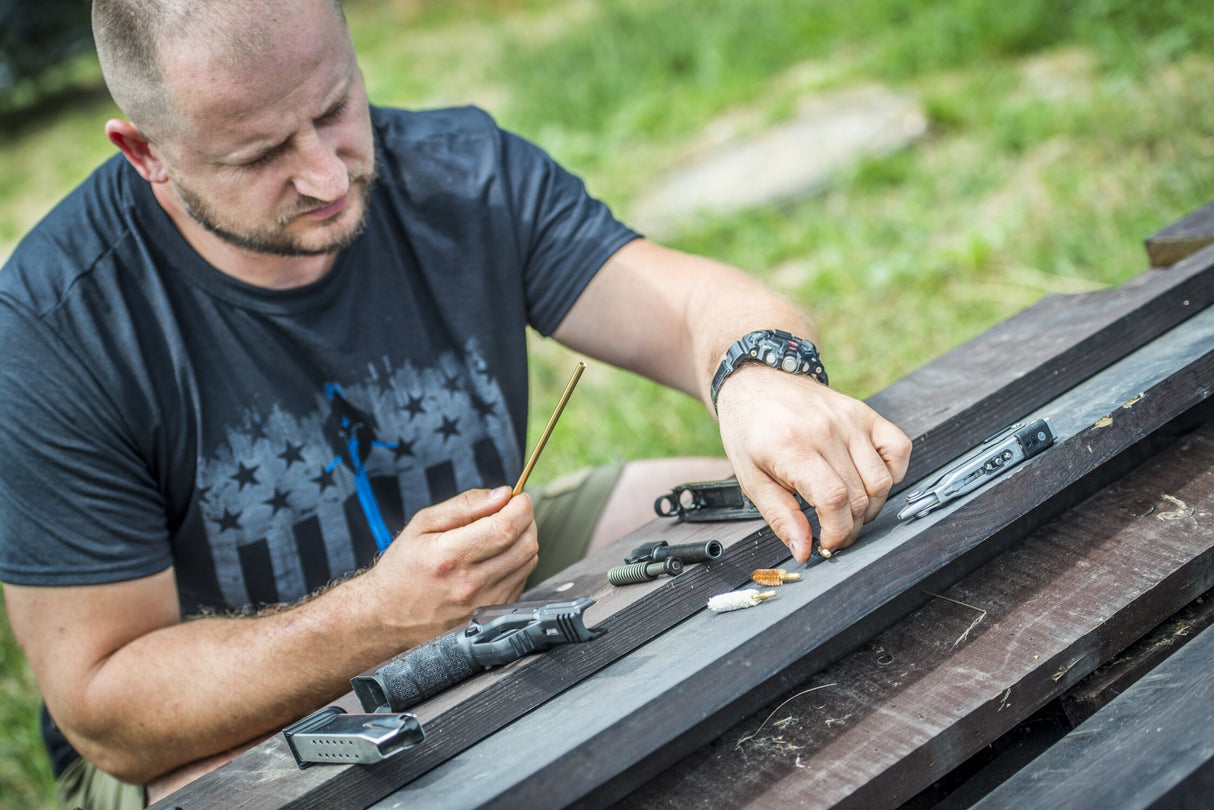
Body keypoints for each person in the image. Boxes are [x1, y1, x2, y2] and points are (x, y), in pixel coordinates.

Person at [0, 0, 912, 807]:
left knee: (770, 512)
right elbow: (108, 713)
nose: (326, 176)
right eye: (260, 153)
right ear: (146, 153)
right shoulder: (51, 330)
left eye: (333, 108)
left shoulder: (461, 172)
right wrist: (374, 620)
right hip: (223, 708)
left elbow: (689, 308)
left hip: (477, 578)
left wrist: (759, 375)